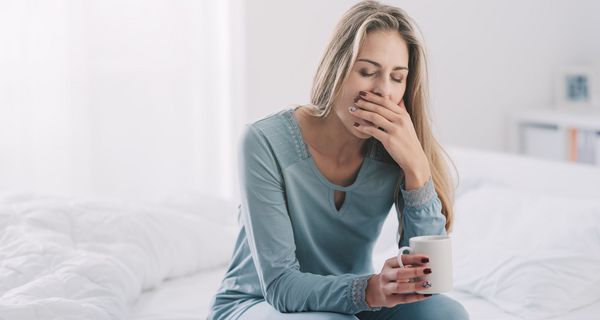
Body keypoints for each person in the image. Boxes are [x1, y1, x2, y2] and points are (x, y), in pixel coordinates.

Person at [208, 1, 469, 319]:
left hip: (351, 301)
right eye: (367, 72)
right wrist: (371, 290)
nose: (383, 91)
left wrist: (417, 168)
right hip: (259, 301)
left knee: (446, 313)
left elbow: (429, 282)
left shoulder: (394, 150)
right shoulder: (263, 141)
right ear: (337, 68)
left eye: (397, 77)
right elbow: (279, 285)